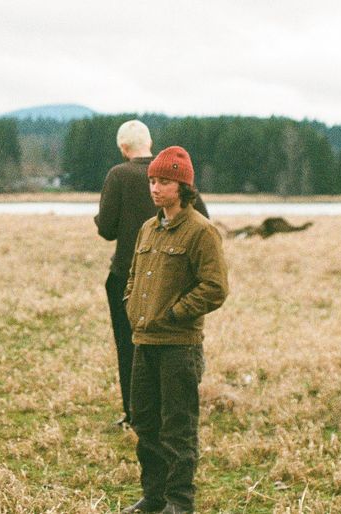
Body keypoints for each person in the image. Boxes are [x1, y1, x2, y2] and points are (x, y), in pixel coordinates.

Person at [121, 146, 228, 514]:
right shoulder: (148, 228)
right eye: (152, 180)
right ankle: (154, 497)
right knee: (145, 423)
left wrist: (177, 313)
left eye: (163, 181)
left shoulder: (201, 231)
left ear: (182, 186)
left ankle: (179, 502)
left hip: (179, 347)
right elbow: (134, 276)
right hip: (144, 343)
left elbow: (215, 287)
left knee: (177, 428)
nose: (154, 188)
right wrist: (132, 305)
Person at [95, 120, 210, 429]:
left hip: (125, 276)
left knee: (129, 346)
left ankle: (136, 414)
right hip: (174, 280)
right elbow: (204, 219)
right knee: (170, 347)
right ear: (150, 142)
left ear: (123, 148)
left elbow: (106, 229)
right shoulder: (175, 174)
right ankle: (167, 411)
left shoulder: (118, 175)